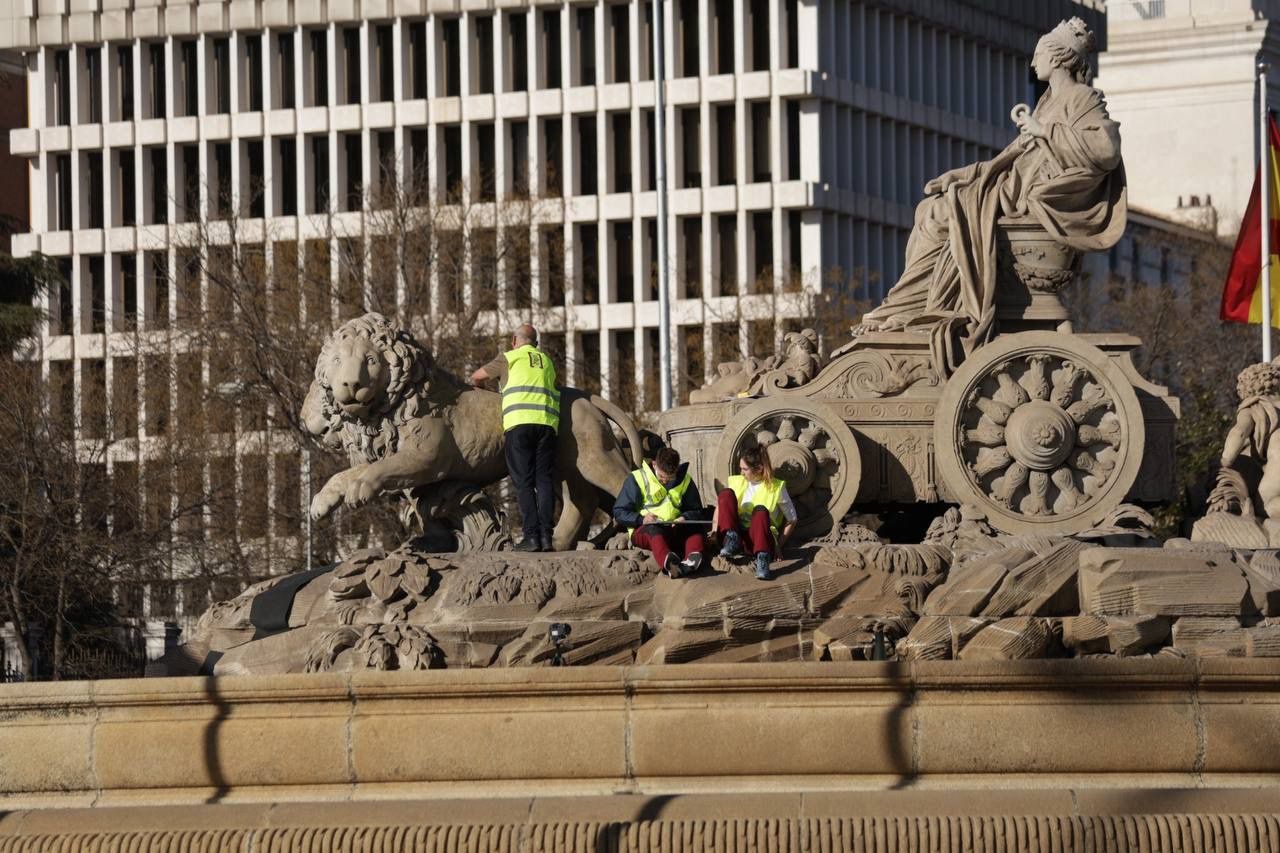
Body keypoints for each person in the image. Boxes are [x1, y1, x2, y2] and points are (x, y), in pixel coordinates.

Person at [842, 17, 1124, 377]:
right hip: (1015, 185)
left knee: (943, 213)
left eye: (1037, 54)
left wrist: (1044, 131)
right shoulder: (1047, 102)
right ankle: (906, 303)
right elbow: (1010, 158)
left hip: (1036, 197)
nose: (1032, 62)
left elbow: (1106, 150)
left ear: (1056, 58)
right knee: (932, 207)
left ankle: (910, 305)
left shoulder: (1081, 98)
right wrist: (964, 174)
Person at [470, 325, 559, 552]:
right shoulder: (547, 361)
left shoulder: (509, 357)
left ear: (514, 340)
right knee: (545, 481)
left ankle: (531, 538)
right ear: (536, 344)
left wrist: (488, 391)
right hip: (547, 425)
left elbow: (476, 377)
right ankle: (547, 537)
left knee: (524, 483)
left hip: (519, 424)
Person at [612, 447, 707, 578]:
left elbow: (696, 510)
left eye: (670, 478)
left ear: (677, 469)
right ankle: (669, 563)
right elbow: (619, 512)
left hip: (675, 529)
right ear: (654, 464)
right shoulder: (637, 478)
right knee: (653, 530)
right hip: (645, 529)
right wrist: (642, 519)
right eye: (662, 476)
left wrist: (684, 518)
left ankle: (692, 560)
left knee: (696, 527)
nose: (665, 481)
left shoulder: (686, 480)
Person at [712, 446, 797, 581]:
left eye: (745, 469)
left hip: (759, 541)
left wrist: (778, 546)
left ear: (758, 468)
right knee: (725, 494)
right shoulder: (737, 481)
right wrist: (714, 531)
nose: (741, 473)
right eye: (741, 468)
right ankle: (731, 540)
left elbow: (792, 520)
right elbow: (720, 507)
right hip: (736, 538)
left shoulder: (776, 487)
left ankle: (763, 560)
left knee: (761, 510)